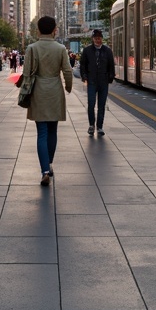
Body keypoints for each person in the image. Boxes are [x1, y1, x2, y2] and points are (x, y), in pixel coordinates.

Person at [23, 16, 73, 187]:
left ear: (38, 30)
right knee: (53, 131)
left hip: (38, 91)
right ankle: (49, 163)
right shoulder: (60, 49)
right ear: (54, 30)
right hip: (55, 90)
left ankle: (44, 170)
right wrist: (68, 87)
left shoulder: (32, 48)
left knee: (41, 133)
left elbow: (27, 72)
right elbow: (67, 70)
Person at [79, 30, 116, 137]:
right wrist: (84, 76)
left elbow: (111, 65)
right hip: (91, 81)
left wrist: (111, 77)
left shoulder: (107, 51)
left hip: (103, 82)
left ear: (102, 39)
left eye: (99, 38)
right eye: (95, 38)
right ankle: (91, 125)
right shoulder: (87, 50)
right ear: (92, 39)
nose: (97, 40)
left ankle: (99, 126)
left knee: (101, 105)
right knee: (91, 104)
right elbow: (83, 65)